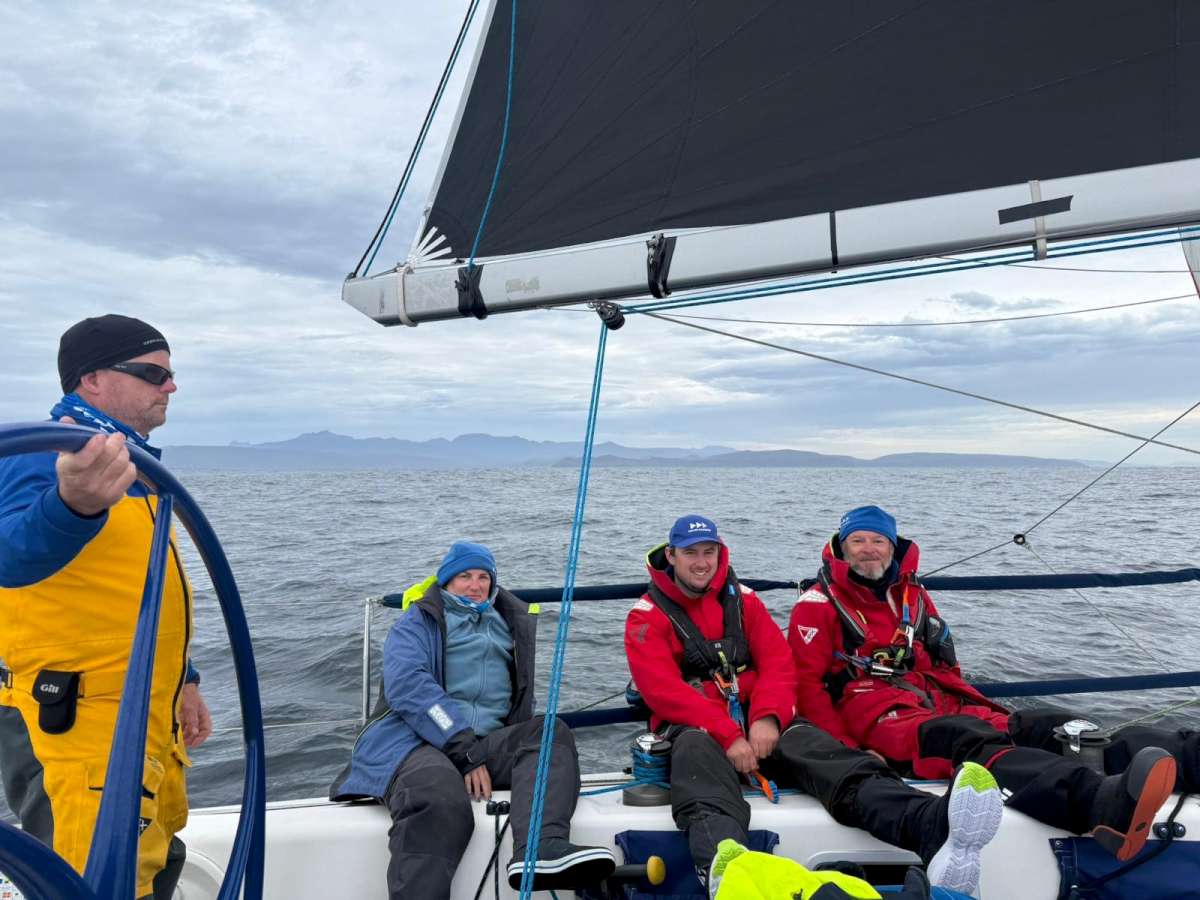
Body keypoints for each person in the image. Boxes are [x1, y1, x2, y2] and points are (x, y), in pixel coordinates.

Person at [625, 515, 1004, 897]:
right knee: (698, 766)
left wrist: (767, 718)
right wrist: (728, 735)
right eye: (690, 553)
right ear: (671, 556)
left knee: (829, 756)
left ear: (720, 553)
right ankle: (728, 869)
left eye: (709, 552)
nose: (701, 562)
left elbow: (778, 663)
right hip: (697, 728)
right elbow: (663, 691)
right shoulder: (646, 616)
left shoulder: (745, 601)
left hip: (758, 720)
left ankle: (926, 825)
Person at [789, 504, 1193, 862]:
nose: (868, 549)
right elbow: (807, 687)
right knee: (964, 738)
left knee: (1047, 725)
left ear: (893, 548)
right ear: (841, 548)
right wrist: (850, 749)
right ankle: (1096, 805)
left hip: (935, 698)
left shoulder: (912, 596)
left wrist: (967, 701)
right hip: (876, 714)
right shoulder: (816, 607)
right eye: (857, 540)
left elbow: (942, 662)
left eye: (878, 540)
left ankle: (1188, 758)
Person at [0, 314, 211, 900]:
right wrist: (72, 505)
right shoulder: (40, 454)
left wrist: (186, 679)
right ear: (91, 379)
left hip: (141, 717)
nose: (170, 386)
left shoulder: (130, 467)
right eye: (153, 373)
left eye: (170, 374)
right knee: (92, 881)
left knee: (155, 862)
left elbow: (130, 590)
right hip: (74, 726)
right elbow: (8, 558)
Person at [330, 540, 615, 899]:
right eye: (464, 576)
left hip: (483, 745)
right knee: (436, 797)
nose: (475, 585)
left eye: (483, 577)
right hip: (415, 741)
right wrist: (463, 749)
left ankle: (540, 848)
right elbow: (410, 688)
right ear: (446, 580)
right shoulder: (418, 622)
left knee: (549, 734)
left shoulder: (507, 621)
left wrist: (475, 752)